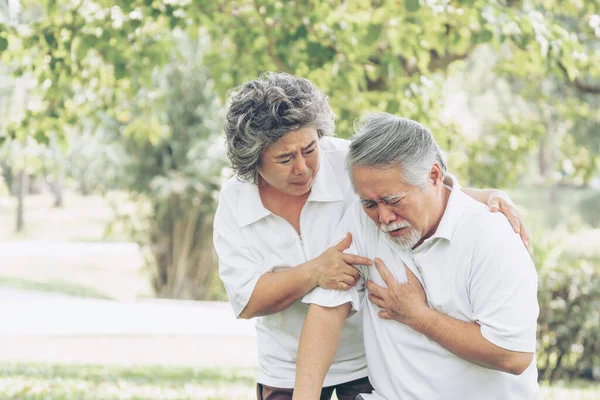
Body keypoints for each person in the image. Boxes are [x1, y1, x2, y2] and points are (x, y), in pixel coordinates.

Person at [213, 73, 529, 400]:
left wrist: (488, 195)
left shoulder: (349, 161)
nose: (303, 168)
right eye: (284, 159)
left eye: (309, 149)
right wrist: (315, 271)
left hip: (367, 358)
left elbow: (422, 186)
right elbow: (248, 299)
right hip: (286, 363)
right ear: (254, 161)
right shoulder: (236, 203)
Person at [293, 113, 539, 400]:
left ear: (433, 176)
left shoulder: (492, 236)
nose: (383, 217)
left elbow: (513, 355)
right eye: (370, 203)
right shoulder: (361, 221)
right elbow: (327, 309)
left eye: (393, 200)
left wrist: (418, 316)